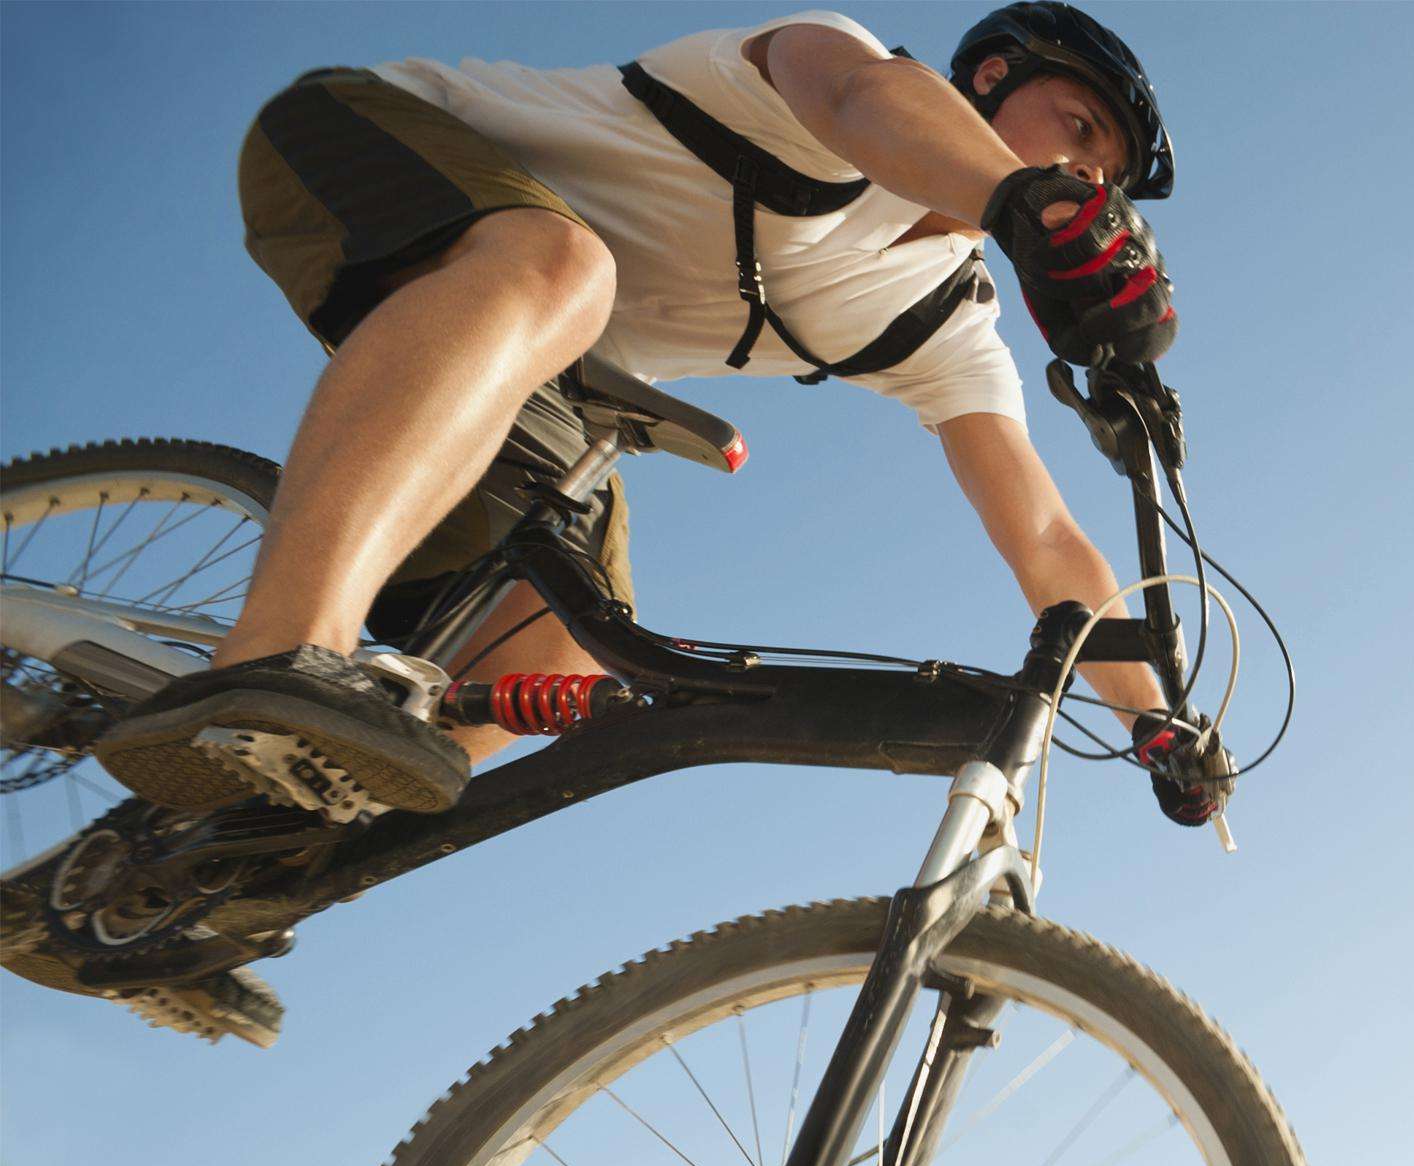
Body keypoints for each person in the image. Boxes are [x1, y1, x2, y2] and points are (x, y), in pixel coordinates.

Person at [95, 2, 1206, 818]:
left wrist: (1155, 721)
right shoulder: (843, 64)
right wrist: (1018, 196)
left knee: (565, 647)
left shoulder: (944, 318)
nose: (1087, 174)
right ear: (994, 74)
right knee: (561, 267)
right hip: (375, 142)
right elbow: (863, 103)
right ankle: (279, 650)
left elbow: (1045, 536)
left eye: (1104, 174)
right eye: (1078, 129)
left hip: (539, 375)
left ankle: (212, 859)